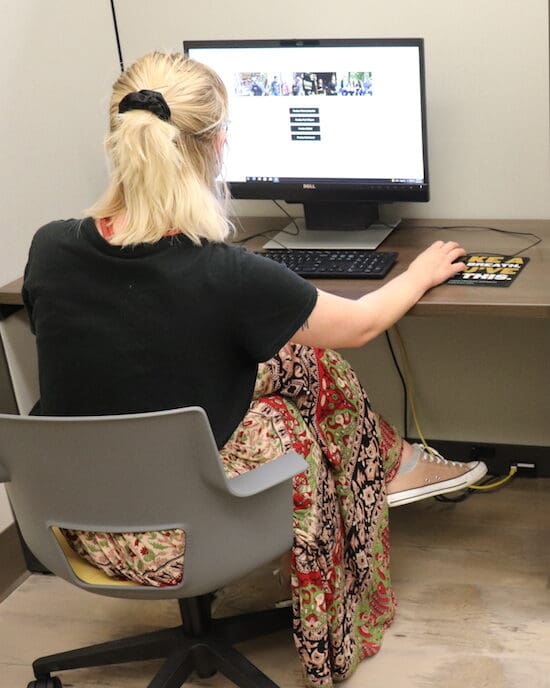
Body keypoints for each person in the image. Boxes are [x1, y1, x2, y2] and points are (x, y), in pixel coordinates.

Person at [22, 52, 487, 687]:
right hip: (183, 537)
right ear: (217, 146)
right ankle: (351, 573)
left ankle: (391, 461)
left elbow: (131, 348)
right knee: (296, 405)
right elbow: (360, 326)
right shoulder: (224, 273)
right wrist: (422, 270)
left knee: (297, 360)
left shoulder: (49, 247)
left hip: (71, 520)